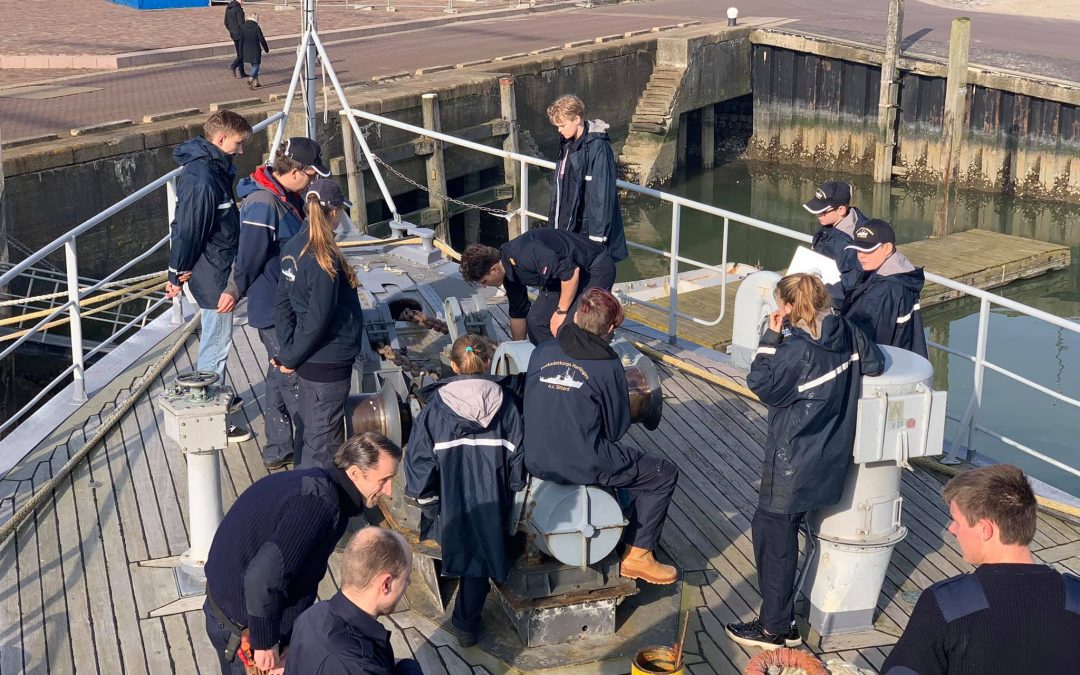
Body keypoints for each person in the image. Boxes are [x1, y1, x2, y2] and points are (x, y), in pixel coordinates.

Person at [725, 273, 884, 650]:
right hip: (830, 455)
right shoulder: (847, 331)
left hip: (792, 461)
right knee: (785, 530)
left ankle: (775, 628)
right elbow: (875, 364)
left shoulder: (797, 350)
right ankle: (784, 620)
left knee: (773, 538)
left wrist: (770, 338)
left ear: (789, 306)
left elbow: (762, 384)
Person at [203, 432, 402, 675]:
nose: (389, 490)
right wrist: (265, 642)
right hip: (242, 627)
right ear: (354, 473)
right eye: (384, 480)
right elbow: (261, 578)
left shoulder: (315, 482)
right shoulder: (319, 506)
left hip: (228, 605)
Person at [523, 288, 680, 585]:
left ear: (576, 318)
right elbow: (616, 429)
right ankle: (638, 557)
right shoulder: (608, 366)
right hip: (581, 462)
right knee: (662, 474)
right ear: (610, 328)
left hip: (535, 456)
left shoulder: (543, 351)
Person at [881, 464, 1080, 674]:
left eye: (957, 521)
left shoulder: (946, 603)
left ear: (985, 530)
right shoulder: (1075, 597)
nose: (952, 529)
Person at [404, 334, 525, 647]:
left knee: (467, 554)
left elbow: (419, 464)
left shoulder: (435, 409)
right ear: (488, 363)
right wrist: (515, 496)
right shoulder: (508, 404)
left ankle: (465, 623)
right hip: (494, 503)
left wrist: (430, 506)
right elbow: (519, 461)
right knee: (482, 557)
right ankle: (466, 623)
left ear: (454, 365)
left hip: (450, 507)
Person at [227, 138, 328, 469]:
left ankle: (278, 446)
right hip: (273, 307)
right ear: (296, 171)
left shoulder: (286, 197)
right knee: (292, 375)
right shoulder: (264, 203)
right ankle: (309, 453)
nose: (314, 181)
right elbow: (249, 257)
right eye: (312, 175)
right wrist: (233, 291)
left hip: (282, 302)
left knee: (277, 371)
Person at [164, 110, 253, 443]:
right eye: (238, 143)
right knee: (216, 344)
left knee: (217, 339)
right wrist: (176, 272)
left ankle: (216, 397)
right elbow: (188, 229)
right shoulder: (203, 178)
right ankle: (212, 416)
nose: (241, 150)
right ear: (220, 138)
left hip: (216, 263)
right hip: (213, 272)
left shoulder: (213, 168)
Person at [272, 179, 364, 468]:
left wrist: (288, 352)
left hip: (308, 362)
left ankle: (301, 483)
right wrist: (291, 357)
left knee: (309, 432)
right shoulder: (325, 259)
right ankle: (314, 493)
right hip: (328, 363)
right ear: (334, 211)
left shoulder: (293, 247)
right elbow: (319, 319)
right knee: (324, 445)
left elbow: (282, 304)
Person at [286, 527, 423, 675]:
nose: (409, 582)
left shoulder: (313, 614)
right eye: (406, 577)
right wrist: (409, 667)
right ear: (386, 584)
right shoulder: (359, 666)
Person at [459, 228, 614, 344]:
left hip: (593, 269)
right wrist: (516, 350)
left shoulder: (526, 253)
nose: (485, 286)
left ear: (494, 270)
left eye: (484, 281)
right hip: (560, 279)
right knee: (536, 321)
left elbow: (571, 273)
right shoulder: (508, 273)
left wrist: (561, 312)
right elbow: (518, 314)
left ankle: (581, 361)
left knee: (568, 326)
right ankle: (550, 362)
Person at [545, 95, 628, 264]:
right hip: (568, 221)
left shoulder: (598, 147)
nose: (559, 130)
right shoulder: (567, 143)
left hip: (586, 227)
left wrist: (597, 237)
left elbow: (601, 194)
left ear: (577, 120)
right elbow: (562, 186)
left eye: (562, 125)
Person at [840, 219, 928, 357]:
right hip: (905, 357)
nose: (861, 256)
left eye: (868, 250)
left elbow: (865, 340)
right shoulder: (904, 275)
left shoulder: (886, 290)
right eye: (858, 250)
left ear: (887, 248)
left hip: (886, 362)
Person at [801, 180, 868, 303]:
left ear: (841, 210)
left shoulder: (850, 244)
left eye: (823, 212)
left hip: (826, 298)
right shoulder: (831, 222)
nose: (818, 215)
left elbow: (851, 285)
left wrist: (816, 294)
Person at [239, 13, 270, 90]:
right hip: (255, 49)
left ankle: (256, 82)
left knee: (253, 65)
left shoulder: (243, 27)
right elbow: (261, 39)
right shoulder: (256, 27)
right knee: (256, 65)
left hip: (246, 49)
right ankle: (251, 79)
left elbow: (241, 40)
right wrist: (266, 48)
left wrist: (240, 51)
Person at [224, 0, 246, 79]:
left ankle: (242, 72)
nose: (244, 1)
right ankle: (234, 65)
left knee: (239, 53)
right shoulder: (239, 10)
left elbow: (226, 22)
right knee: (243, 54)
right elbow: (241, 24)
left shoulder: (228, 8)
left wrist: (231, 30)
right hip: (240, 34)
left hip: (233, 34)